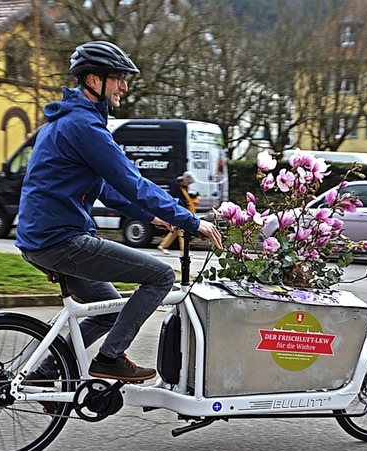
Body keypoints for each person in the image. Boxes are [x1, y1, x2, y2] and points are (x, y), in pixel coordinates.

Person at [15, 41, 222, 385]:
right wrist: (191, 220)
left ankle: (46, 374)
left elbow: (107, 188)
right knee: (160, 276)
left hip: (42, 237)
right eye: (119, 79)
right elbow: (132, 182)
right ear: (94, 80)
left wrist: (153, 217)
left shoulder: (68, 122)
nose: (124, 87)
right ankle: (109, 359)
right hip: (62, 240)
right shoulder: (84, 126)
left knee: (109, 308)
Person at [157, 171, 199, 255]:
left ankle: (163, 246)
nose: (189, 184)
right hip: (178, 209)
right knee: (181, 230)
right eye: (189, 182)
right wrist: (186, 203)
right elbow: (175, 197)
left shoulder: (182, 185)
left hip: (181, 209)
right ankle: (184, 251)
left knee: (176, 230)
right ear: (185, 179)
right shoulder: (175, 185)